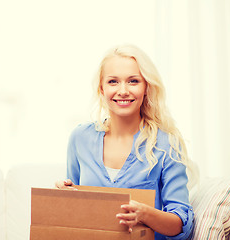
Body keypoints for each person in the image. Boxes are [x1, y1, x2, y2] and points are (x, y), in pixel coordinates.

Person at [55, 44, 195, 239]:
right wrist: (66, 196)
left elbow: (181, 226)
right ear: (101, 89)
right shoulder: (80, 138)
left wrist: (145, 214)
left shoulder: (167, 143)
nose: (123, 91)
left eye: (133, 81)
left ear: (146, 87)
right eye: (113, 81)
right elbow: (76, 213)